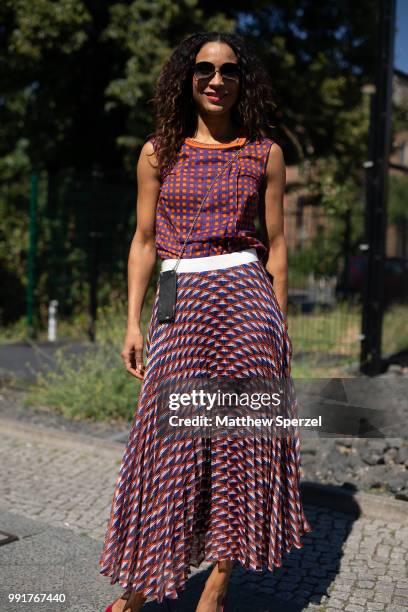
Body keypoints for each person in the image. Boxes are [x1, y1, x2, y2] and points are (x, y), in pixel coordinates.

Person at [99, 31, 313, 612]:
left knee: (244, 446)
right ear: (187, 79)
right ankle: (141, 586)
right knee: (168, 446)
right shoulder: (157, 153)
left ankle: (217, 585)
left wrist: (280, 322)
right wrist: (133, 322)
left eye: (229, 70)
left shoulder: (264, 154)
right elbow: (143, 242)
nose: (217, 80)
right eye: (204, 70)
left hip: (247, 307)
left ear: (244, 81)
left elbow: (277, 245)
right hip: (181, 306)